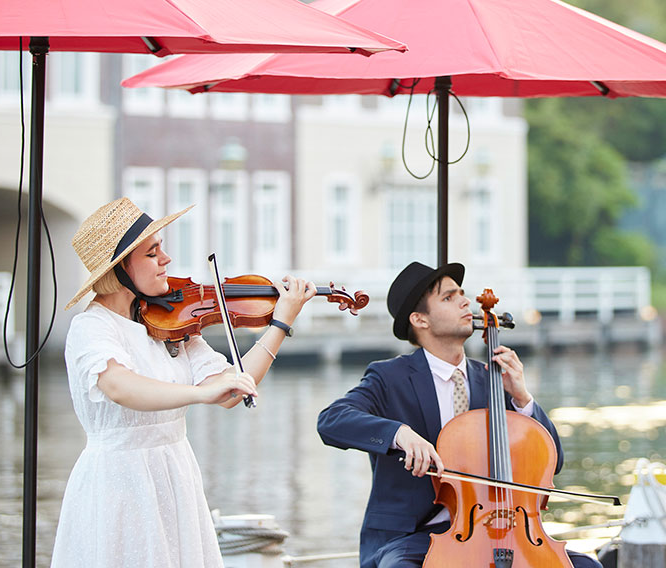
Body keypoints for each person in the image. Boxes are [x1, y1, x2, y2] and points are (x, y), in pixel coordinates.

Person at [51, 197, 316, 568]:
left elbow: (230, 390)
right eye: (152, 252)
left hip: (175, 471)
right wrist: (199, 394)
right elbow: (118, 385)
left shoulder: (167, 321)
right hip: (119, 481)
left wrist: (281, 323)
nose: (166, 260)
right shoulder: (91, 327)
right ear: (120, 268)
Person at [317, 261, 603, 568]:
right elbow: (332, 420)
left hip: (499, 528)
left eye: (462, 294)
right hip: (411, 537)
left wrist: (522, 398)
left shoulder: (493, 380)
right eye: (449, 297)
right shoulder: (390, 378)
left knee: (588, 566)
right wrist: (400, 434)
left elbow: (553, 461)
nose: (466, 302)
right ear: (420, 319)